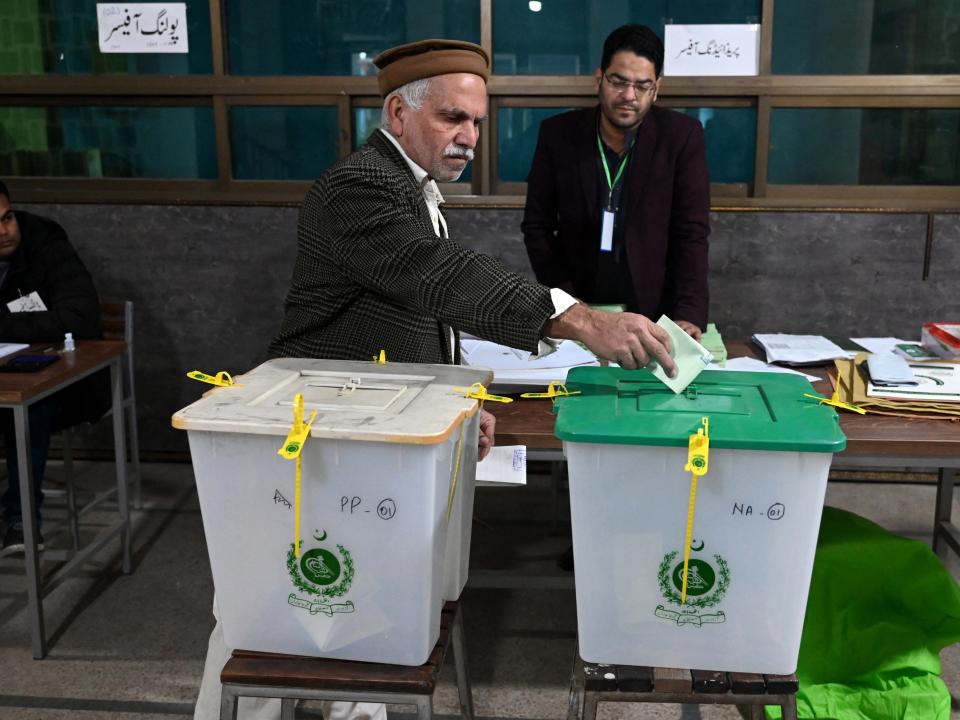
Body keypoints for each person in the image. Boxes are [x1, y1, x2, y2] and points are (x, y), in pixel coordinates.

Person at [195, 38, 680, 720]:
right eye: (454, 118)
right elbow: (440, 276)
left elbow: (426, 309)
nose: (469, 138)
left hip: (367, 435)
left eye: (477, 123)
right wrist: (578, 319)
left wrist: (460, 400)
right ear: (398, 112)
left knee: (358, 609)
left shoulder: (413, 189)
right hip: (311, 444)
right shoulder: (356, 189)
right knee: (270, 620)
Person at [522, 24, 710, 340]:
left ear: (656, 89)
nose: (629, 96)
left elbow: (691, 232)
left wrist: (688, 313)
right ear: (600, 79)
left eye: (642, 86)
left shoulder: (681, 138)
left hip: (653, 311)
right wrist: (565, 301)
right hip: (579, 306)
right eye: (619, 82)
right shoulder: (558, 135)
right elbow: (536, 226)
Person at [0, 180, 108, 551]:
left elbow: (79, 315)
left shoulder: (45, 243)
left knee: (30, 409)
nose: (3, 231)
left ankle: (21, 519)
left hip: (63, 382)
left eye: (7, 217)